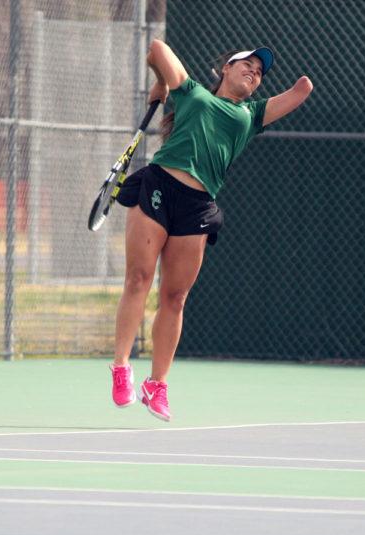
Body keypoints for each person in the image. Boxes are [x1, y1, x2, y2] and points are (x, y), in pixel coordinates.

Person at [110, 39, 313, 421]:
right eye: (247, 64)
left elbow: (301, 90)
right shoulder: (191, 91)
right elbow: (155, 47)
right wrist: (163, 82)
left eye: (259, 71)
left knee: (175, 297)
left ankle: (157, 385)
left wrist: (303, 82)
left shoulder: (251, 116)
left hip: (197, 207)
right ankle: (121, 367)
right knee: (138, 278)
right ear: (226, 69)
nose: (254, 71)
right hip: (158, 187)